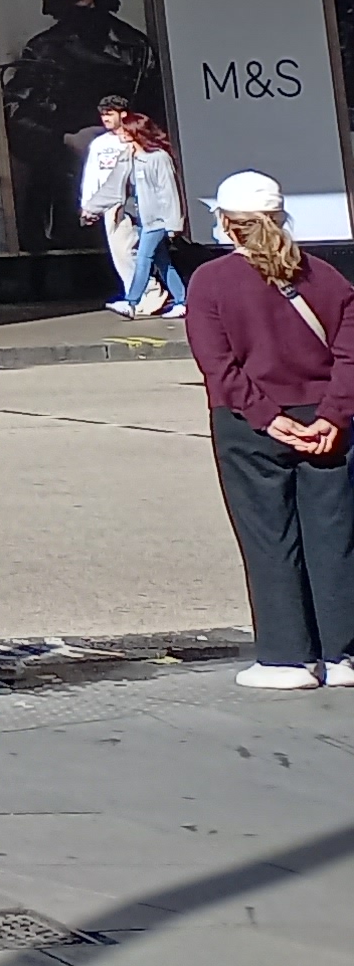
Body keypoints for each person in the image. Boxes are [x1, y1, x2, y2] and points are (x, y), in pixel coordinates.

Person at [180, 172, 354, 689]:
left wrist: (267, 417)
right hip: (328, 423)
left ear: (226, 226)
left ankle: (286, 658)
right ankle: (343, 654)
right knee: (336, 536)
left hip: (251, 426)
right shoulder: (326, 277)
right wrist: (333, 415)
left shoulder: (210, 282)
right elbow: (349, 356)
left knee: (268, 538)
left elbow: (218, 366)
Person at [2, 0, 166, 261]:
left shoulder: (135, 46)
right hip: (61, 184)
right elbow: (15, 118)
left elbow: (158, 112)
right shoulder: (42, 49)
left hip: (128, 177)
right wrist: (64, 140)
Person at [82, 101, 188, 318]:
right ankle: (182, 300)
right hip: (141, 218)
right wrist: (91, 207)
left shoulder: (159, 158)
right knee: (162, 262)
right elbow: (113, 186)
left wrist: (175, 223)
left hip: (157, 220)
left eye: (125, 131)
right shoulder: (129, 158)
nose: (120, 134)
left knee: (143, 258)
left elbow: (169, 193)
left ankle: (131, 302)